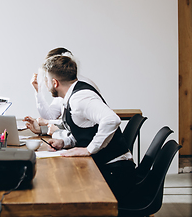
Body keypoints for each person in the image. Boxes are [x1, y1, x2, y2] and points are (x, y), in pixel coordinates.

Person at [24, 55, 135, 202]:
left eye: (47, 81)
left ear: (55, 83)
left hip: (116, 173)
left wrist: (89, 149)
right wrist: (65, 142)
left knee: (60, 192)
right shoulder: (71, 96)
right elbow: (85, 129)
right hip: (105, 168)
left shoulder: (80, 99)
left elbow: (111, 119)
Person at [30, 47, 100, 130]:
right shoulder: (65, 87)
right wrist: (38, 91)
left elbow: (107, 121)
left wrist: (50, 125)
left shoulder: (80, 92)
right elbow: (52, 117)